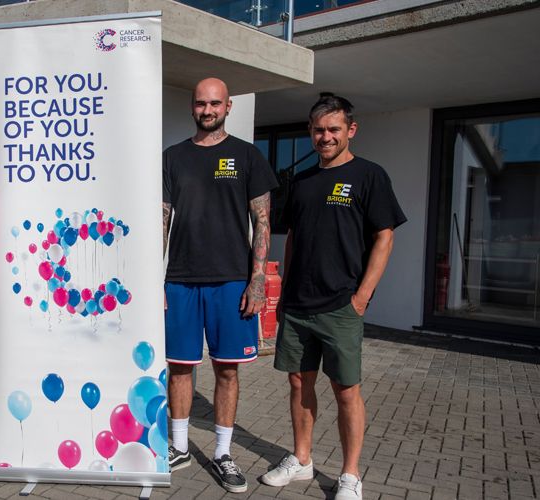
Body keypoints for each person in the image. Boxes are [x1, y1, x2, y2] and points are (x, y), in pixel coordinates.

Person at [263, 94, 406, 499]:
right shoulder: (304, 181)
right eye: (319, 129)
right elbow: (292, 236)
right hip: (299, 304)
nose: (325, 137)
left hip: (342, 304)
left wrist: (362, 297)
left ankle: (350, 475)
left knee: (346, 391)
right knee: (298, 383)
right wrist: (287, 287)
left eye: (334, 130)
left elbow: (385, 237)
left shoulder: (369, 176)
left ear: (350, 130)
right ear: (310, 131)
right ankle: (302, 460)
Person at [162, 77, 278, 493]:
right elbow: (162, 218)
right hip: (180, 280)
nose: (207, 110)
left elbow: (262, 220)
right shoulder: (173, 157)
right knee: (179, 366)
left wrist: (258, 279)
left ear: (228, 106)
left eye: (214, 104)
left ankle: (223, 453)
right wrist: (155, 279)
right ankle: (177, 447)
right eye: (200, 104)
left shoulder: (247, 156)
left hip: (232, 281)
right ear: (192, 108)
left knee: (226, 370)